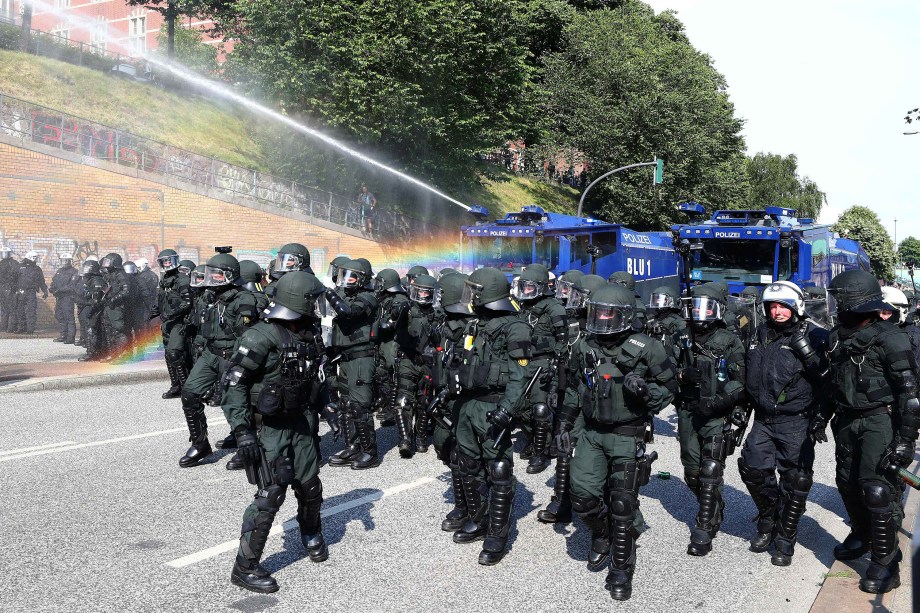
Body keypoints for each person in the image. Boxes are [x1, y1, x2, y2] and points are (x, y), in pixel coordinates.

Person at [222, 271, 330, 593]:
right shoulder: (260, 337)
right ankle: (245, 567)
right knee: (271, 495)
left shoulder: (309, 333)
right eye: (313, 300)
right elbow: (233, 386)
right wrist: (242, 432)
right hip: (269, 429)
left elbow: (318, 375)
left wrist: (328, 406)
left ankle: (310, 532)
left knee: (310, 487)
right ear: (298, 301)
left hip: (301, 423)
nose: (317, 306)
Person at [567, 284, 676, 600]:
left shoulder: (648, 347)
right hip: (591, 432)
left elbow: (669, 386)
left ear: (624, 316)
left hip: (627, 433)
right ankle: (603, 533)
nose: (602, 317)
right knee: (583, 498)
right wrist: (565, 428)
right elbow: (575, 391)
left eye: (608, 312)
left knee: (622, 503)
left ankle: (622, 568)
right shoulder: (585, 346)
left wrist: (644, 393)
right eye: (598, 311)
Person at [823, 271, 920, 593]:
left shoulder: (891, 337)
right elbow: (833, 384)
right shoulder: (839, 335)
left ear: (857, 301)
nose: (837, 306)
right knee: (847, 482)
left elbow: (910, 396)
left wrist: (905, 441)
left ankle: (885, 562)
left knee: (877, 491)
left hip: (881, 420)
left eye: (841, 299)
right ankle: (862, 534)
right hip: (847, 421)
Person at [737, 281, 829, 566]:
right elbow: (748, 373)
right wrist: (740, 408)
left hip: (796, 421)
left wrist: (821, 419)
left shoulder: (815, 335)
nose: (777, 312)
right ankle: (768, 520)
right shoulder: (759, 333)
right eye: (772, 307)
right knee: (753, 469)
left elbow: (829, 383)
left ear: (796, 307)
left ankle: (786, 537)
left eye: (783, 307)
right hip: (764, 419)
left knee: (795, 481)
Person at [450, 267, 532, 565]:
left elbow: (521, 375)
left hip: (493, 406)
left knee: (498, 469)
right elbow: (466, 360)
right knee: (467, 464)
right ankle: (479, 516)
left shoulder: (515, 328)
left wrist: (507, 410)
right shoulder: (476, 325)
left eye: (475, 291)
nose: (470, 296)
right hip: (469, 404)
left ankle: (497, 534)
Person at [673, 282, 746, 556]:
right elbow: (665, 368)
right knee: (692, 471)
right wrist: (682, 375)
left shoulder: (729, 340)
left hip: (716, 412)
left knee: (711, 469)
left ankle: (704, 526)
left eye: (707, 308)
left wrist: (717, 403)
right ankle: (714, 505)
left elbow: (740, 383)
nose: (700, 314)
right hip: (688, 410)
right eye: (696, 307)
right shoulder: (682, 336)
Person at [538, 273, 607, 525]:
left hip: (603, 403)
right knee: (564, 446)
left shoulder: (608, 331)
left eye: (580, 296)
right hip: (574, 396)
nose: (573, 300)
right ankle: (562, 502)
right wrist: (556, 390)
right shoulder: (572, 327)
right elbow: (562, 363)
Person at [180, 253, 259, 468]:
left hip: (232, 356)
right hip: (210, 353)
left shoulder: (243, 299)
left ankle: (248, 448)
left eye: (216, 275)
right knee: (189, 393)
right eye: (210, 274)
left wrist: (240, 363)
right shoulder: (209, 296)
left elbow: (248, 335)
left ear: (229, 276)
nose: (210, 279)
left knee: (235, 403)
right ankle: (200, 443)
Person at [325, 259, 381, 470]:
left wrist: (329, 292)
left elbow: (348, 312)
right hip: (346, 358)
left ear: (363, 279)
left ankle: (370, 452)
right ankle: (353, 446)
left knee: (360, 405)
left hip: (361, 358)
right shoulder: (347, 296)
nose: (347, 280)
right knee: (347, 405)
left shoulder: (368, 297)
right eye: (344, 275)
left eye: (352, 276)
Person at [511, 264, 567, 474]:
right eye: (523, 286)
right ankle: (533, 440)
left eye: (529, 286)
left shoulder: (554, 308)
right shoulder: (520, 306)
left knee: (540, 409)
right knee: (520, 408)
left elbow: (563, 340)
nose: (525, 290)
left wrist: (554, 366)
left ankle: (540, 454)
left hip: (543, 363)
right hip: (521, 362)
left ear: (541, 287)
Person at [429, 272, 472, 530]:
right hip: (443, 397)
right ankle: (463, 502)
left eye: (442, 294)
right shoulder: (445, 326)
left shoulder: (468, 329)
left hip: (462, 400)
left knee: (462, 455)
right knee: (444, 447)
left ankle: (468, 507)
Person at [390, 272, 439, 456]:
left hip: (427, 362)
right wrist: (399, 310)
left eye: (427, 293)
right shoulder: (408, 309)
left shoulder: (438, 313)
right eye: (420, 292)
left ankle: (420, 438)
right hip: (408, 359)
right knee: (403, 400)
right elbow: (395, 316)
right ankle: (405, 439)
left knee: (424, 401)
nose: (423, 296)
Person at [151, 249, 194, 400]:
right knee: (168, 356)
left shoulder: (182, 279)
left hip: (179, 322)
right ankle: (175, 386)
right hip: (167, 322)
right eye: (164, 261)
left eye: (169, 260)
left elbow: (188, 302)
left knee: (174, 353)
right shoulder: (164, 279)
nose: (166, 263)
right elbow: (160, 299)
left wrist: (173, 313)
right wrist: (154, 312)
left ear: (174, 261)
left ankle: (186, 388)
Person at [372, 268, 409, 427]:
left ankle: (394, 412)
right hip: (384, 342)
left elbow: (398, 312)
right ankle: (388, 408)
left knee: (392, 377)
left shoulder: (399, 298)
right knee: (383, 375)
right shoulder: (384, 298)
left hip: (393, 342)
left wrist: (390, 318)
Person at [98, 253, 131, 357]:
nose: (106, 265)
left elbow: (126, 291)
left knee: (118, 330)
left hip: (117, 307)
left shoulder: (120, 274)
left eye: (108, 262)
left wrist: (113, 299)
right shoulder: (110, 274)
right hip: (109, 306)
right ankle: (113, 353)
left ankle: (122, 354)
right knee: (109, 330)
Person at [77, 258, 107, 361]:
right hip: (92, 309)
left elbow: (96, 299)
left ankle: (92, 353)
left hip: (96, 311)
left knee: (92, 331)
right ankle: (93, 353)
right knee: (91, 331)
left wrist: (90, 312)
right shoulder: (91, 280)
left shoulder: (96, 281)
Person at [13, 251, 47, 335]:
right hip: (20, 292)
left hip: (31, 292)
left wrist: (45, 291)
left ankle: (30, 329)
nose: (35, 259)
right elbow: (14, 279)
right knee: (20, 310)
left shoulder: (37, 269)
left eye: (36, 257)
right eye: (34, 257)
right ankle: (21, 328)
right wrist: (15, 291)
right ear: (29, 257)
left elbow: (41, 281)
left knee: (31, 311)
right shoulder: (20, 266)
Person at [49, 253, 79, 344]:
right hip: (59, 297)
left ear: (70, 261)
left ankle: (70, 337)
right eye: (63, 260)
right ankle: (63, 335)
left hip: (68, 297)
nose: (65, 262)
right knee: (59, 316)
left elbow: (72, 286)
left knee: (68, 317)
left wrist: (60, 290)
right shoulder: (60, 271)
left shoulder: (74, 271)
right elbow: (54, 281)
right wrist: (52, 288)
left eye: (66, 260)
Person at [0, 248, 19, 332]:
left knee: (10, 309)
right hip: (5, 288)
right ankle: (6, 327)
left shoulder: (12, 263)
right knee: (6, 309)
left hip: (9, 288)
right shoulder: (12, 263)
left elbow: (17, 276)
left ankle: (10, 328)